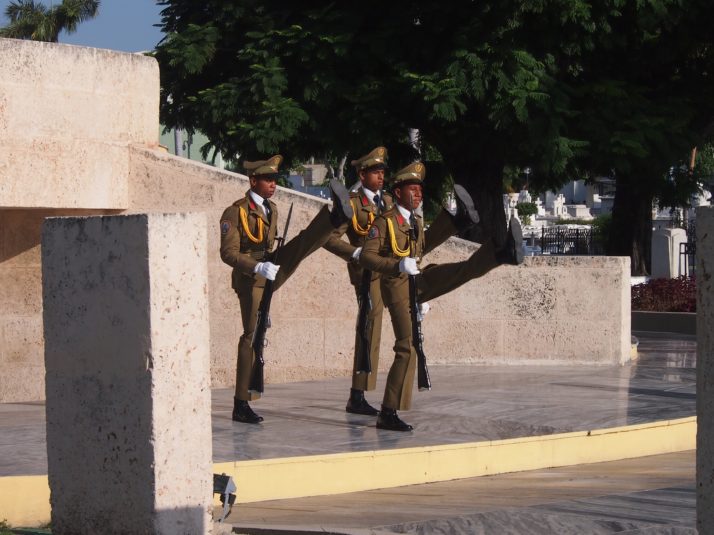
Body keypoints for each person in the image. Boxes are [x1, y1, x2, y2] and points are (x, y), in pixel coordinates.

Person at [360, 162, 523, 431]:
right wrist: (396, 265)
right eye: (413, 189)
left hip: (417, 280)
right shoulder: (384, 221)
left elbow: (422, 248)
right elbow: (367, 256)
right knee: (407, 346)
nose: (419, 194)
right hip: (396, 287)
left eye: (420, 190)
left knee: (461, 272)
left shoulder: (416, 221)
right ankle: (387, 411)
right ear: (398, 192)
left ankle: (501, 253)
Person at [325, 148, 483, 417]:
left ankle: (457, 221)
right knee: (371, 324)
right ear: (362, 175)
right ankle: (358, 394)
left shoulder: (388, 201)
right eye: (375, 172)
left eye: (383, 172)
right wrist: (355, 253)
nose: (380, 177)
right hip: (368, 272)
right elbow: (328, 239)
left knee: (418, 242)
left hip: (395, 267)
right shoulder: (351, 204)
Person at [220, 154, 354, 424]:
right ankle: (240, 403)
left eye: (275, 180)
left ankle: (334, 218)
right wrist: (255, 268)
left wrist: (267, 265)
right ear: (253, 180)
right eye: (268, 179)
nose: (273, 185)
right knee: (251, 335)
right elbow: (227, 253)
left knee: (301, 245)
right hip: (250, 278)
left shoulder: (273, 209)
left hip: (269, 267)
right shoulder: (235, 211)